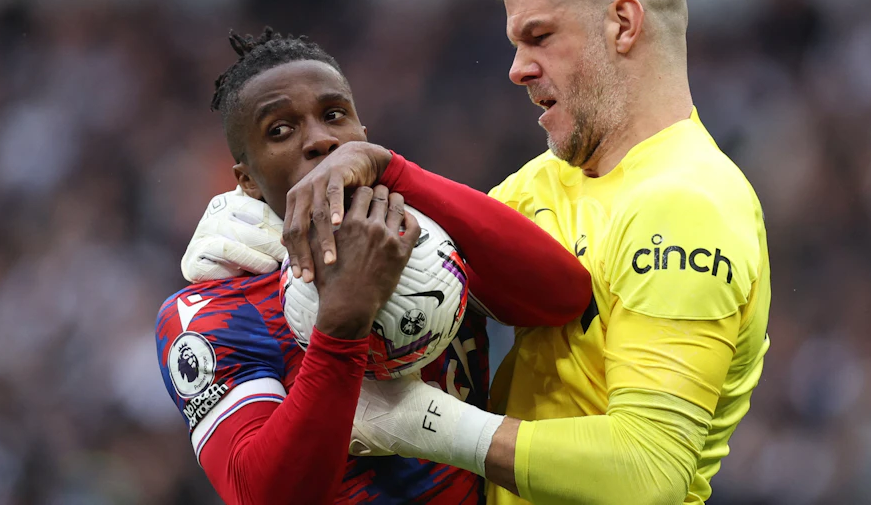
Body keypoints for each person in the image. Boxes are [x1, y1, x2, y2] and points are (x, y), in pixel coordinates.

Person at [185, 0, 772, 503]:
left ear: (623, 24)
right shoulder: (541, 183)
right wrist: (270, 226)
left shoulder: (688, 205)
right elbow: (518, 277)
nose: (516, 69)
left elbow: (649, 474)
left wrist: (426, 423)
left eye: (539, 37)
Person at [155, 28, 593, 505]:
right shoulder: (212, 311)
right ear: (247, 181)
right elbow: (259, 494)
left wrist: (396, 171)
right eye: (279, 130)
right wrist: (342, 326)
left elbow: (564, 299)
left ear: (363, 134)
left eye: (334, 114)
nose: (321, 140)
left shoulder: (430, 234)